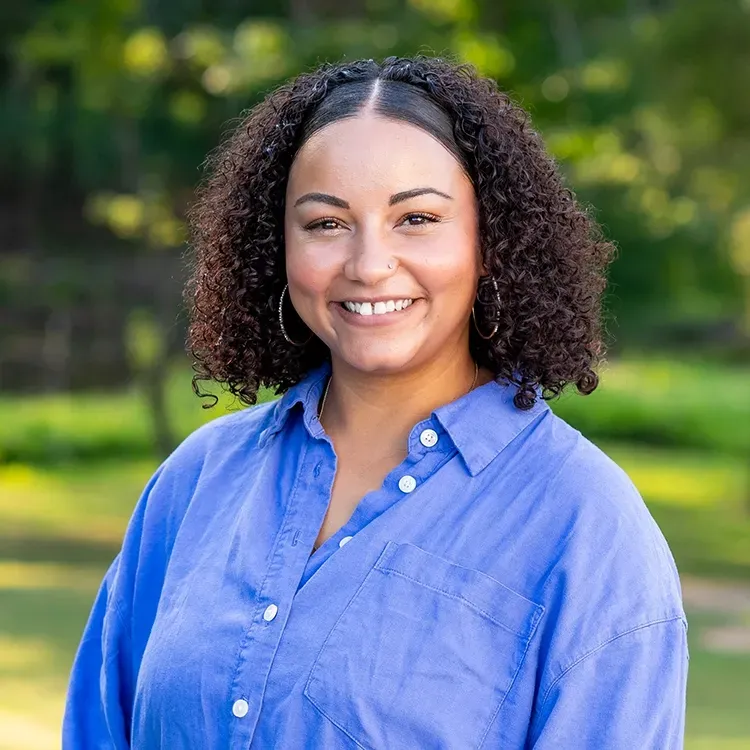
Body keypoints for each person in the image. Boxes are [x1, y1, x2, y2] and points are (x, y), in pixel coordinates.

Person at [63, 56, 688, 749]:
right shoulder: (197, 481)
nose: (368, 263)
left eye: (416, 218)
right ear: (279, 248)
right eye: (326, 224)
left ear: (491, 244)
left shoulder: (586, 529)